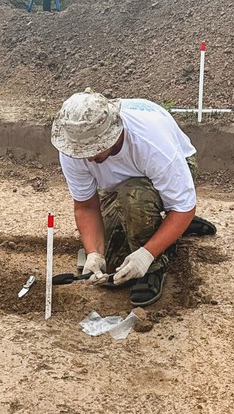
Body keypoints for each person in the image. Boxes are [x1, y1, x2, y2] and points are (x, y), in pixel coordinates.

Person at [51, 88, 216, 307]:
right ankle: (168, 225)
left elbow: (184, 206)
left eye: (95, 149)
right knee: (113, 267)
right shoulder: (74, 145)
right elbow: (86, 207)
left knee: (135, 196)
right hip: (118, 186)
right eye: (83, 152)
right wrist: (94, 253)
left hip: (176, 166)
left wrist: (147, 255)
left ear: (113, 133)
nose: (89, 158)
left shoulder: (152, 143)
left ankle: (156, 265)